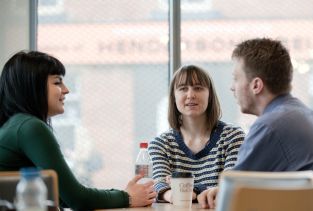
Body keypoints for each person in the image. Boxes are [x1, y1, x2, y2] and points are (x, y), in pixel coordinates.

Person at [197, 38, 313, 209]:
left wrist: (219, 191)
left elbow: (232, 196)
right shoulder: (308, 116)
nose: (232, 87)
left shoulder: (270, 126)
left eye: (236, 79)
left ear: (256, 85)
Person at [0, 51, 156, 210]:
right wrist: (127, 197)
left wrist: (125, 195)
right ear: (32, 86)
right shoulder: (30, 127)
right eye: (57, 82)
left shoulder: (15, 125)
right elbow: (77, 199)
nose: (66, 90)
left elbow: (63, 197)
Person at [148, 65, 244, 203]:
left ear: (209, 95)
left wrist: (186, 189)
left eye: (198, 88)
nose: (190, 95)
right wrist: (172, 194)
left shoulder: (233, 137)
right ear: (174, 97)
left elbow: (232, 186)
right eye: (183, 89)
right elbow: (158, 185)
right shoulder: (160, 145)